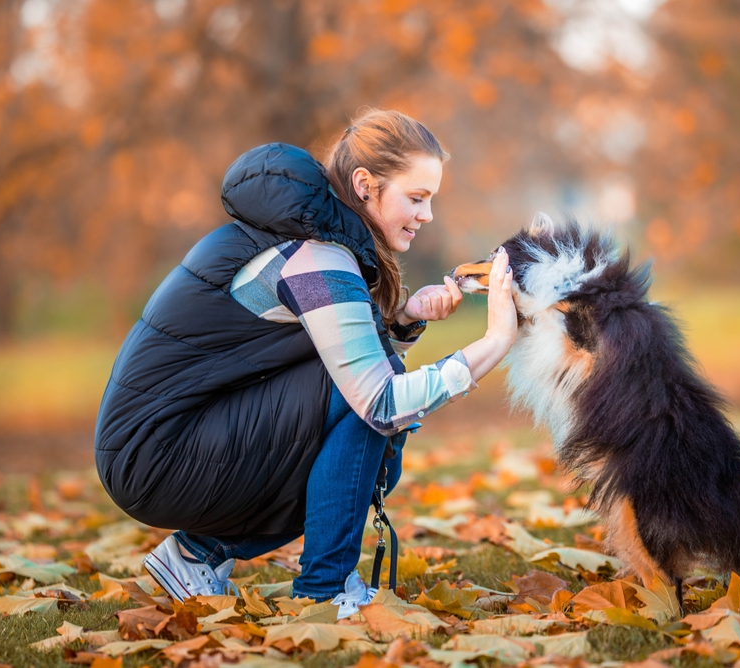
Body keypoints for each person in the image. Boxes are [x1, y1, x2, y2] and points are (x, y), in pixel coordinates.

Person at [94, 109, 517, 615]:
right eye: (416, 198)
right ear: (365, 185)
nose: (427, 215)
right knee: (374, 413)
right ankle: (325, 589)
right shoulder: (317, 257)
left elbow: (332, 364)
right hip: (158, 455)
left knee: (366, 410)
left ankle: (198, 555)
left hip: (158, 445)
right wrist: (494, 342)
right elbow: (378, 402)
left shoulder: (307, 237)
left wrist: (403, 318)